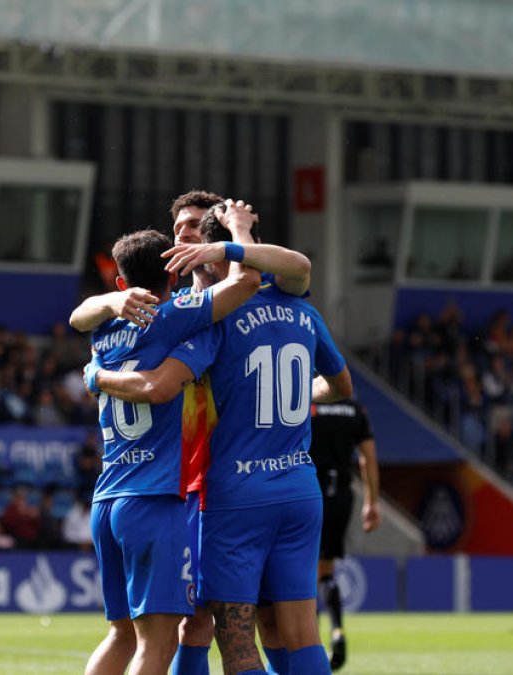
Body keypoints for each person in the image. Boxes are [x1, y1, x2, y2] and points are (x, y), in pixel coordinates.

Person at [91, 204, 353, 675]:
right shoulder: (297, 309)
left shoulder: (203, 317)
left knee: (229, 634)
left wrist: (97, 373)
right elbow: (340, 384)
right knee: (271, 628)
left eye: (193, 232)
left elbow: (155, 382)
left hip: (221, 490)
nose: (183, 240)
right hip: (275, 485)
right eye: (177, 232)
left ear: (213, 251)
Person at [81, 213, 260, 675]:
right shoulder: (176, 317)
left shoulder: (103, 330)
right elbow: (244, 286)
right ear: (173, 272)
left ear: (122, 281)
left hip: (107, 496)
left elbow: (78, 316)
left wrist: (98, 363)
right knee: (157, 646)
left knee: (120, 636)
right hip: (154, 500)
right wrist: (234, 239)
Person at [308, 398, 381, 671]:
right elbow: (367, 457)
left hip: (309, 492)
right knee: (327, 569)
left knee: (305, 571)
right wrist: (372, 502)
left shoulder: (307, 405)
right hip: (341, 496)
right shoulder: (354, 409)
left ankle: (309, 644)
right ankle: (337, 630)